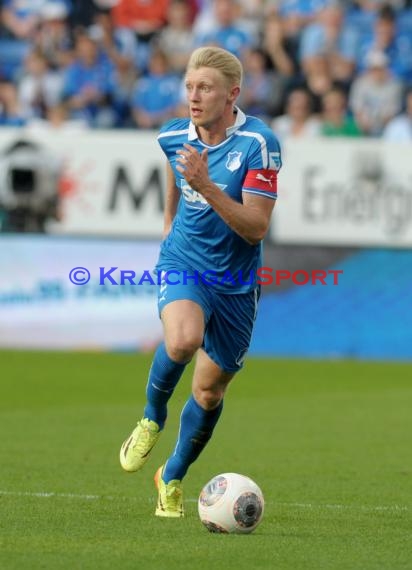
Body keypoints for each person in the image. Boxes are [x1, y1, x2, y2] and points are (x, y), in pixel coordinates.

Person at [119, 46, 281, 518]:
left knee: (210, 392)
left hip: (234, 280)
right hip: (184, 262)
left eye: (205, 88)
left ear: (232, 94)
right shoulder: (173, 134)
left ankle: (170, 475)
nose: (194, 96)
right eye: (190, 87)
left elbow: (256, 227)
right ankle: (151, 417)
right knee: (184, 339)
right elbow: (177, 173)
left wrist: (207, 186)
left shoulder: (258, 143)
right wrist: (169, 223)